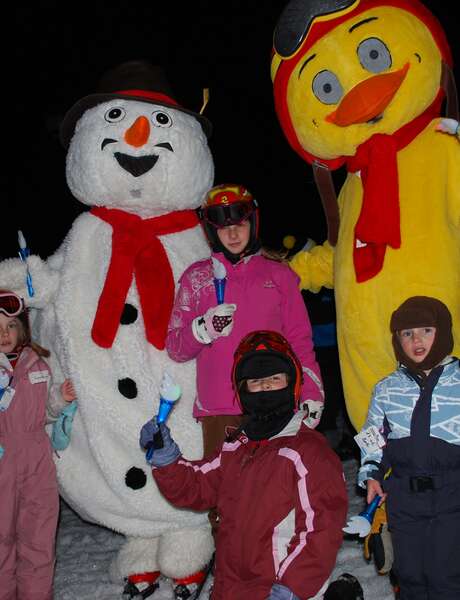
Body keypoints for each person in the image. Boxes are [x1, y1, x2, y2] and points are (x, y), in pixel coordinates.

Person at [141, 330, 347, 600]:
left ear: (292, 383)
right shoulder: (236, 446)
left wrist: (291, 587)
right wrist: (166, 457)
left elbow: (321, 529)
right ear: (242, 390)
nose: (265, 388)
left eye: (274, 379)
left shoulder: (308, 452)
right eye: (256, 382)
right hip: (231, 586)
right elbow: (196, 486)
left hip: (281, 589)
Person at [166, 183, 324, 460]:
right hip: (220, 409)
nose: (233, 233)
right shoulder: (196, 279)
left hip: (274, 403)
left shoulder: (279, 275)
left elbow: (300, 340)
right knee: (225, 496)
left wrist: (312, 392)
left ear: (253, 222)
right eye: (223, 227)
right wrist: (202, 329)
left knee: (274, 495)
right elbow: (176, 348)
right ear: (211, 231)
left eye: (240, 223)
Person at [356, 296, 460, 600]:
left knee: (447, 575)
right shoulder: (386, 388)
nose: (416, 339)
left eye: (426, 330)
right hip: (404, 496)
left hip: (453, 495)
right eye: (407, 333)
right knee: (409, 574)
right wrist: (371, 473)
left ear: (443, 332)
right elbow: (373, 436)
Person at [0, 290, 76, 599]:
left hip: (36, 459)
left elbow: (44, 412)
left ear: (22, 329)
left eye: (10, 326)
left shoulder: (38, 365)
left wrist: (61, 398)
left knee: (38, 537)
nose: (4, 334)